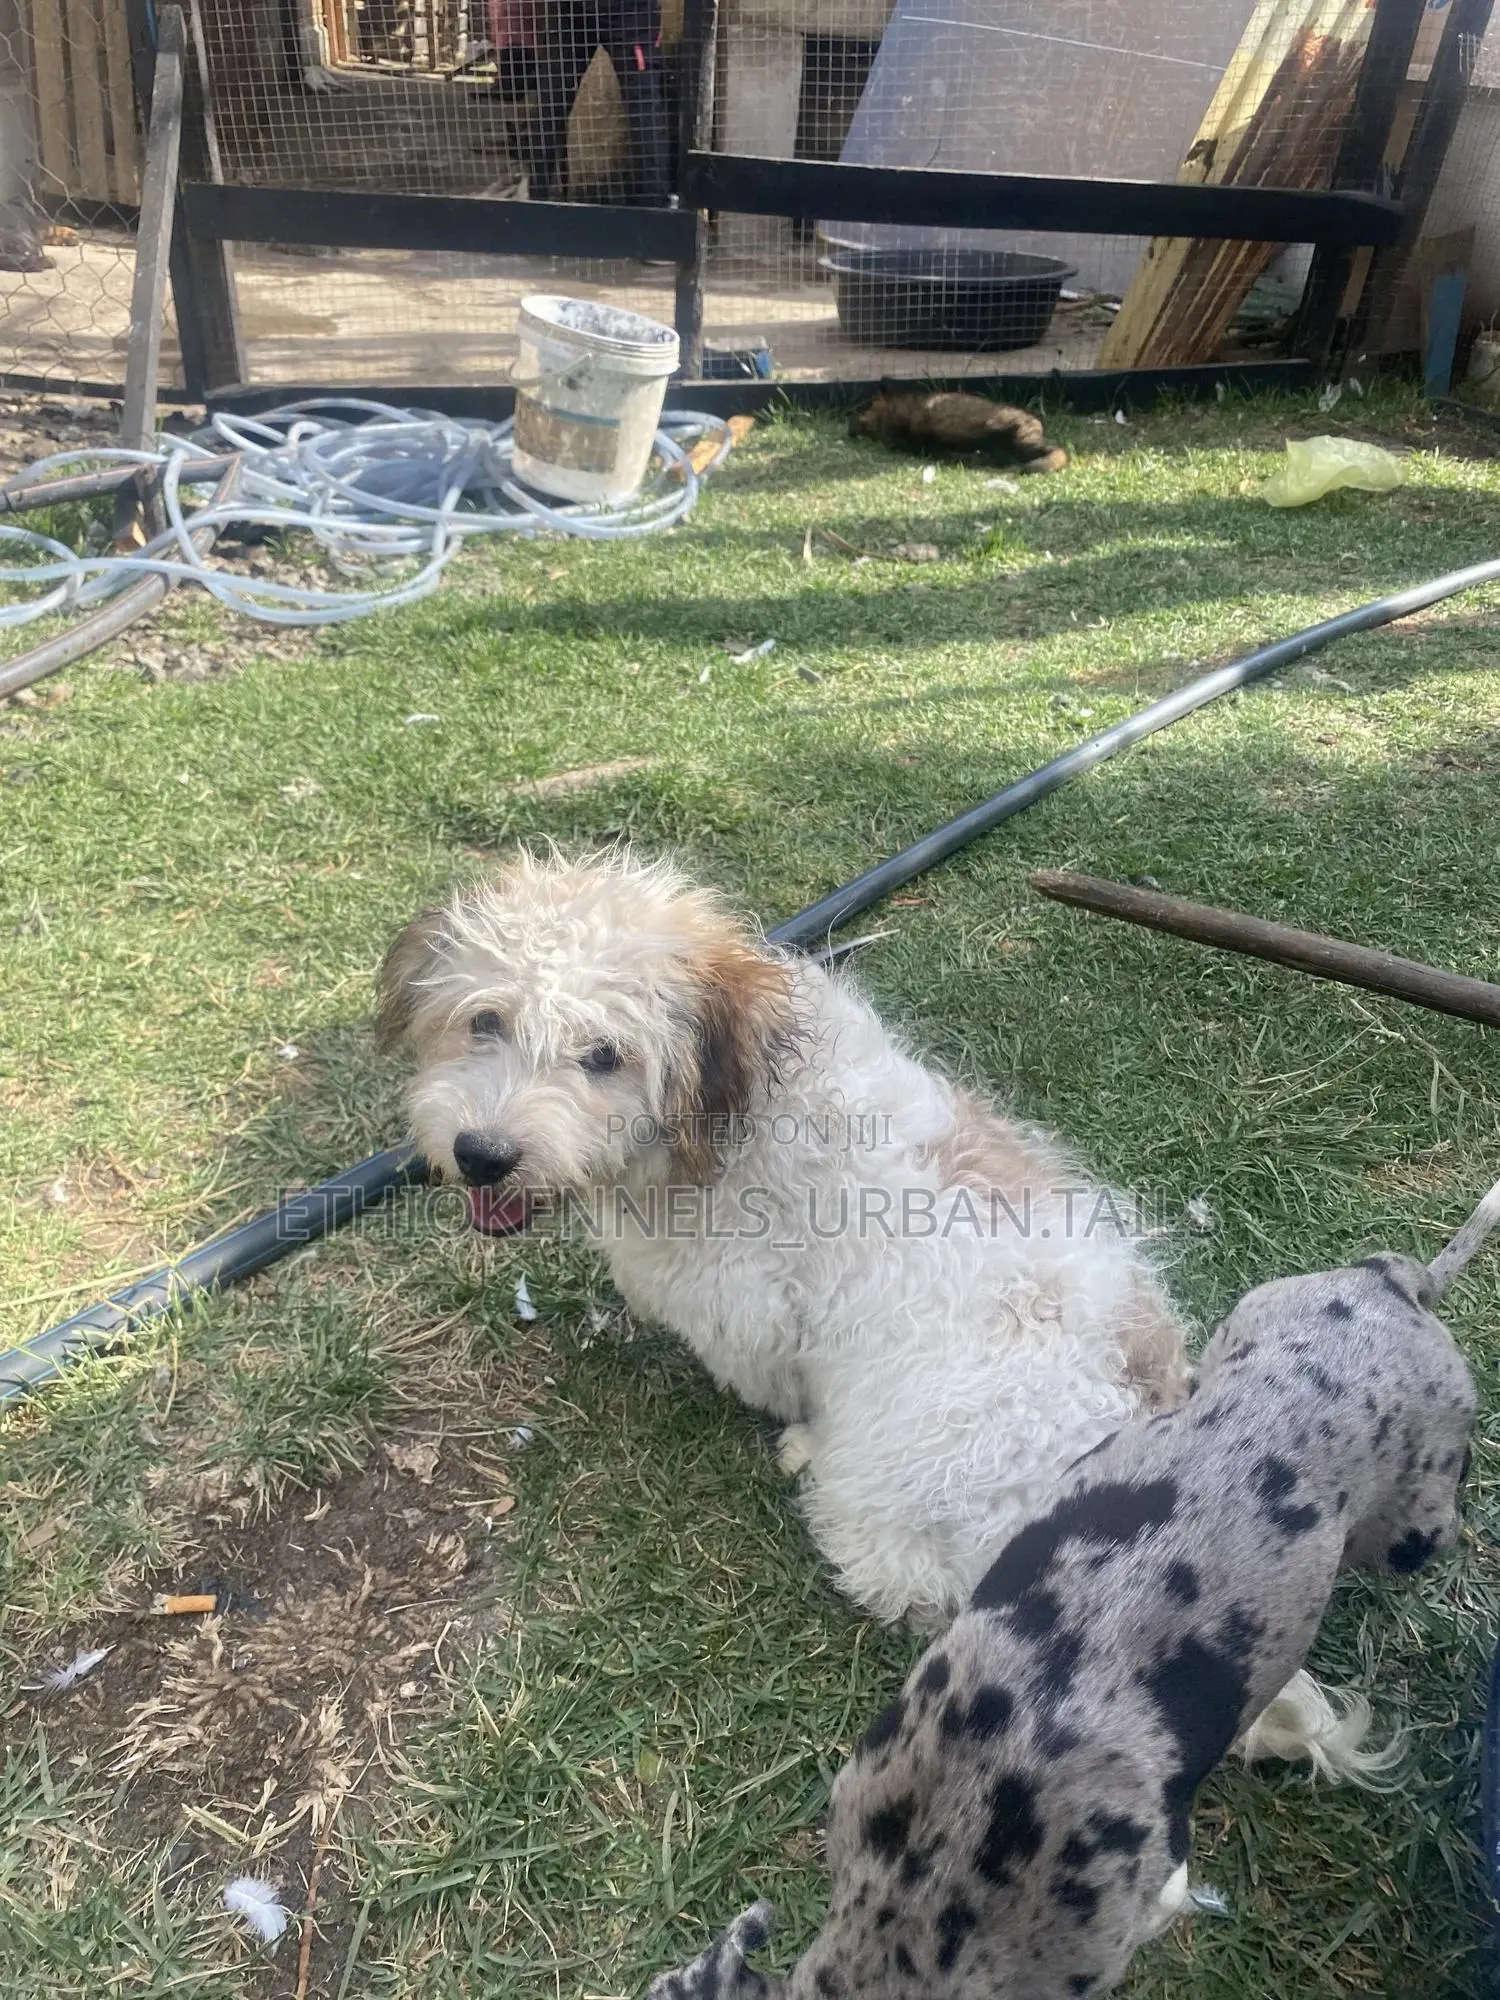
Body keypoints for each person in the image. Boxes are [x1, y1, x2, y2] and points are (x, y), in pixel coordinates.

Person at [521, 0, 672, 206]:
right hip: (625, 11)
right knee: (643, 102)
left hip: (581, 8)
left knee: (553, 94)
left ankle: (536, 198)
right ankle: (655, 207)